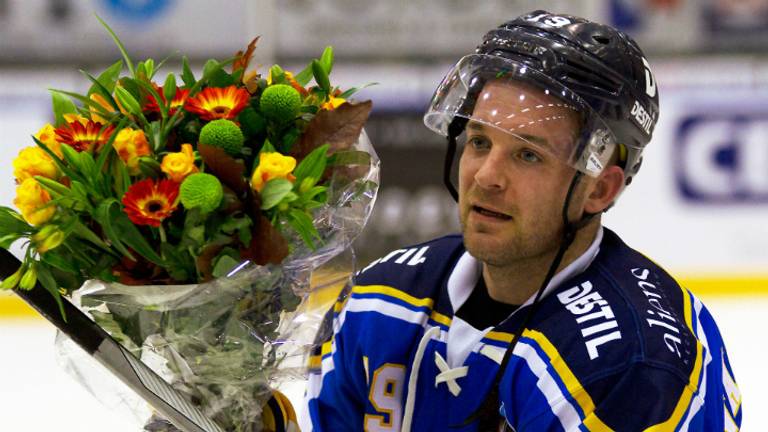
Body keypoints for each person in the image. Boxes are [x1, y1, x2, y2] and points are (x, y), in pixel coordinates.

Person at [301, 10, 741, 431]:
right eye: (478, 141)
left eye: (528, 154)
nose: (487, 177)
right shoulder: (379, 299)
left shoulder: (629, 365)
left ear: (599, 189)